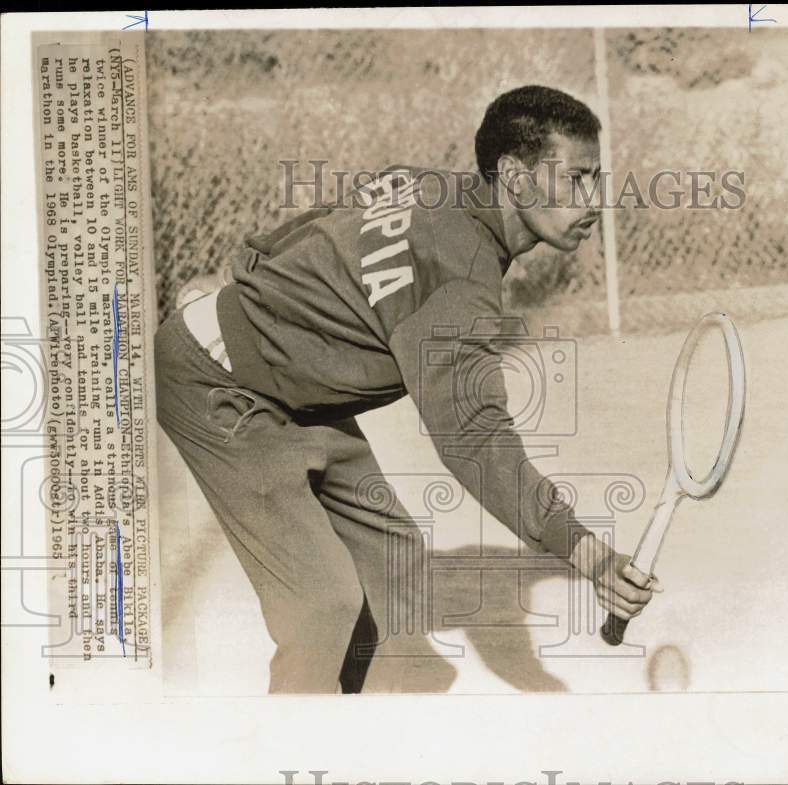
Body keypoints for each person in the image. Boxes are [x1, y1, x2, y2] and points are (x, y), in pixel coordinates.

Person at [155, 84, 654, 694]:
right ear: (516, 180)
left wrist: (243, 272)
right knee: (323, 608)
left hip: (294, 390)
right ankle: (288, 753)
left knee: (395, 570)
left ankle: (349, 723)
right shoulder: (458, 278)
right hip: (221, 389)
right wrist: (585, 552)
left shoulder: (431, 186)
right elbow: (475, 441)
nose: (593, 200)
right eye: (576, 179)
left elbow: (324, 222)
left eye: (596, 178)